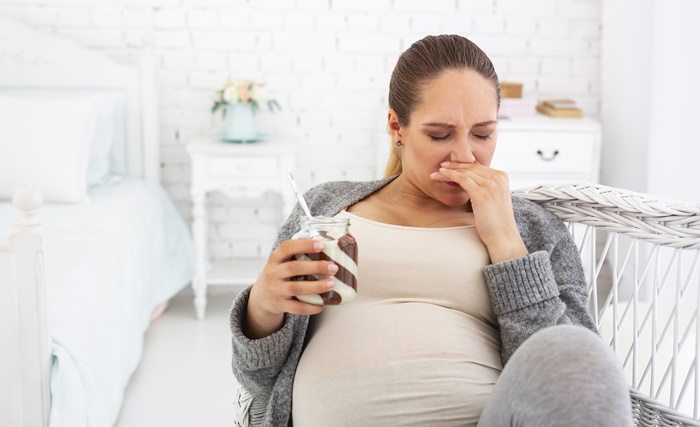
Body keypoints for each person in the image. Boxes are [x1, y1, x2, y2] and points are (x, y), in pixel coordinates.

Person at [230, 34, 633, 427]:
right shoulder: (324, 209)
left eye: (483, 133)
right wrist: (263, 306)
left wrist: (506, 244)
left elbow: (570, 375)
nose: (465, 154)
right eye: (440, 135)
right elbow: (258, 379)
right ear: (396, 127)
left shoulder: (531, 227)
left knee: (578, 351)